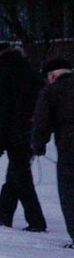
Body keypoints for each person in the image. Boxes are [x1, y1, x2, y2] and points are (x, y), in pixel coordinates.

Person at [0, 45, 46, 231]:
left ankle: (36, 221)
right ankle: (3, 215)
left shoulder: (1, 76)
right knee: (15, 174)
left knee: (21, 178)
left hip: (14, 133)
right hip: (33, 131)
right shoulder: (33, 74)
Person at [31, 58, 74, 248]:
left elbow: (42, 122)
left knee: (69, 192)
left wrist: (38, 145)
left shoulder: (51, 91)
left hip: (69, 149)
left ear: (52, 75)